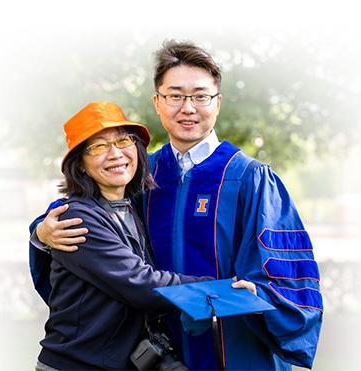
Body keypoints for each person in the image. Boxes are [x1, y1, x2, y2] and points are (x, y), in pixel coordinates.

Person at [30, 41, 323, 370]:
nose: (188, 108)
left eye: (200, 95)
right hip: (164, 354)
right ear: (158, 103)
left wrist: (255, 293)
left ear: (218, 102)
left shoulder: (250, 178)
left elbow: (289, 275)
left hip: (234, 346)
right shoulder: (143, 174)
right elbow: (91, 209)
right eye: (175, 96)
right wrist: (41, 230)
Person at [32, 101, 215, 371]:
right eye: (97, 146)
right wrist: (218, 290)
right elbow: (141, 283)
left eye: (123, 140)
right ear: (80, 165)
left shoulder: (131, 206)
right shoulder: (77, 219)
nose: (115, 153)